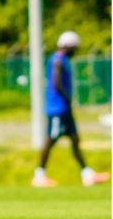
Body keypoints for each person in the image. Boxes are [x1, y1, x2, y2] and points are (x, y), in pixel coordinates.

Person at [32, 31, 110, 187]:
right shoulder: (58, 61)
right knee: (51, 139)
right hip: (57, 108)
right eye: (75, 48)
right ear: (69, 47)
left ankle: (87, 174)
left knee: (75, 139)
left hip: (64, 108)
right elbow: (56, 83)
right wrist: (68, 98)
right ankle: (39, 175)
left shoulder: (63, 60)